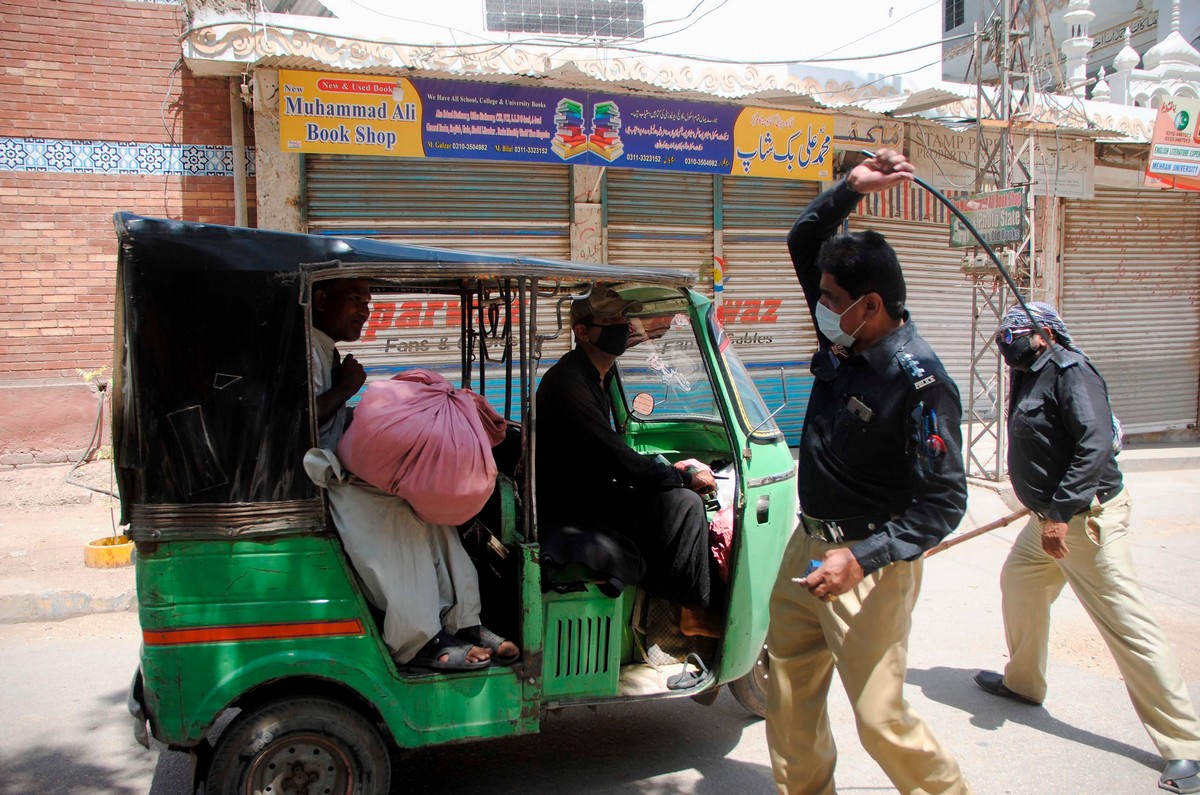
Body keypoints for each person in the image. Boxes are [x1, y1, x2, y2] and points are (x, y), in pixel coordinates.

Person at [765, 150, 971, 795]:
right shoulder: (844, 336)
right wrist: (853, 186)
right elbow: (805, 239)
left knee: (882, 720)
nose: (818, 305)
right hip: (808, 546)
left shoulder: (920, 381)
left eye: (830, 298)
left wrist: (864, 557)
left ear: (870, 304)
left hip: (867, 567)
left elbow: (944, 502)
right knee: (789, 694)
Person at [975, 302, 1200, 795]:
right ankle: (1024, 683)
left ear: (1046, 334)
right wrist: (1042, 508)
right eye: (1002, 332)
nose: (1004, 340)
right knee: (1020, 584)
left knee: (1127, 625)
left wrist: (1060, 512)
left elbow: (1094, 444)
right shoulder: (1030, 373)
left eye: (1015, 332)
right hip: (1047, 520)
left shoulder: (1071, 372)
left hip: (1083, 522)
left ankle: (1187, 747)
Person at [308, 277, 517, 670]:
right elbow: (296, 423)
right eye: (355, 299)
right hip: (321, 478)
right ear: (320, 299)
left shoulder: (325, 349)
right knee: (400, 520)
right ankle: (419, 637)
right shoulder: (305, 350)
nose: (364, 310)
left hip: (342, 467)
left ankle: (464, 620)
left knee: (431, 511)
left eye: (367, 301)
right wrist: (347, 388)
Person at [535, 285, 721, 636]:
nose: (622, 327)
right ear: (583, 332)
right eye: (611, 321)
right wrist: (680, 478)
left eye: (624, 319)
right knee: (683, 505)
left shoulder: (597, 375)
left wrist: (668, 471)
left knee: (670, 496)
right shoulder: (569, 382)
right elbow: (612, 454)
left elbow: (610, 452)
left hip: (594, 492)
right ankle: (691, 612)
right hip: (577, 506)